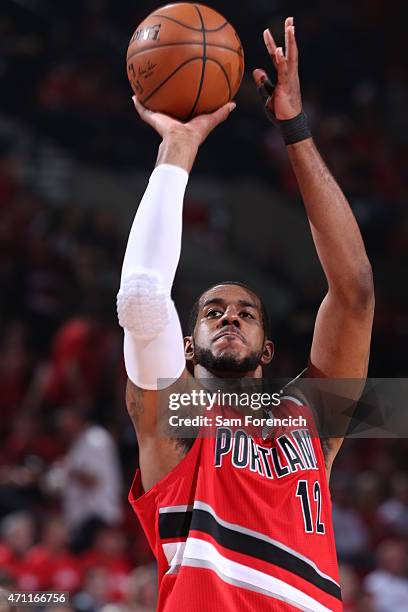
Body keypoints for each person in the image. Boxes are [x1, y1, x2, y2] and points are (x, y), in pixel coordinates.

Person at [117, 18, 374, 611]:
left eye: (245, 313)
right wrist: (177, 150)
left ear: (267, 350)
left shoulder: (307, 418)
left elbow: (354, 290)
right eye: (212, 311)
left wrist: (295, 127)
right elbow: (141, 300)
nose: (229, 317)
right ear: (187, 346)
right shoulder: (174, 426)